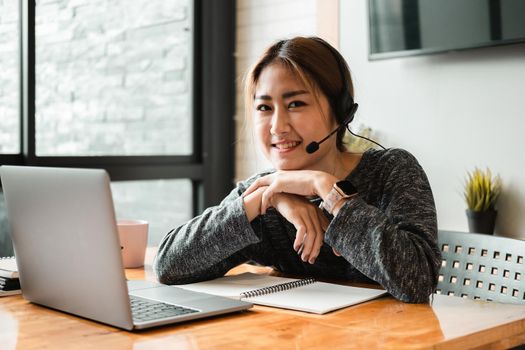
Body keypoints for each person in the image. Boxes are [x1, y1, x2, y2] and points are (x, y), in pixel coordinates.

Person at [154, 36, 441, 303]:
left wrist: (327, 188)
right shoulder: (261, 194)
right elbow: (169, 265)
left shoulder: (391, 171)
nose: (277, 127)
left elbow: (417, 281)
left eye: (295, 104)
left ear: (340, 112)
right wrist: (270, 197)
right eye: (264, 108)